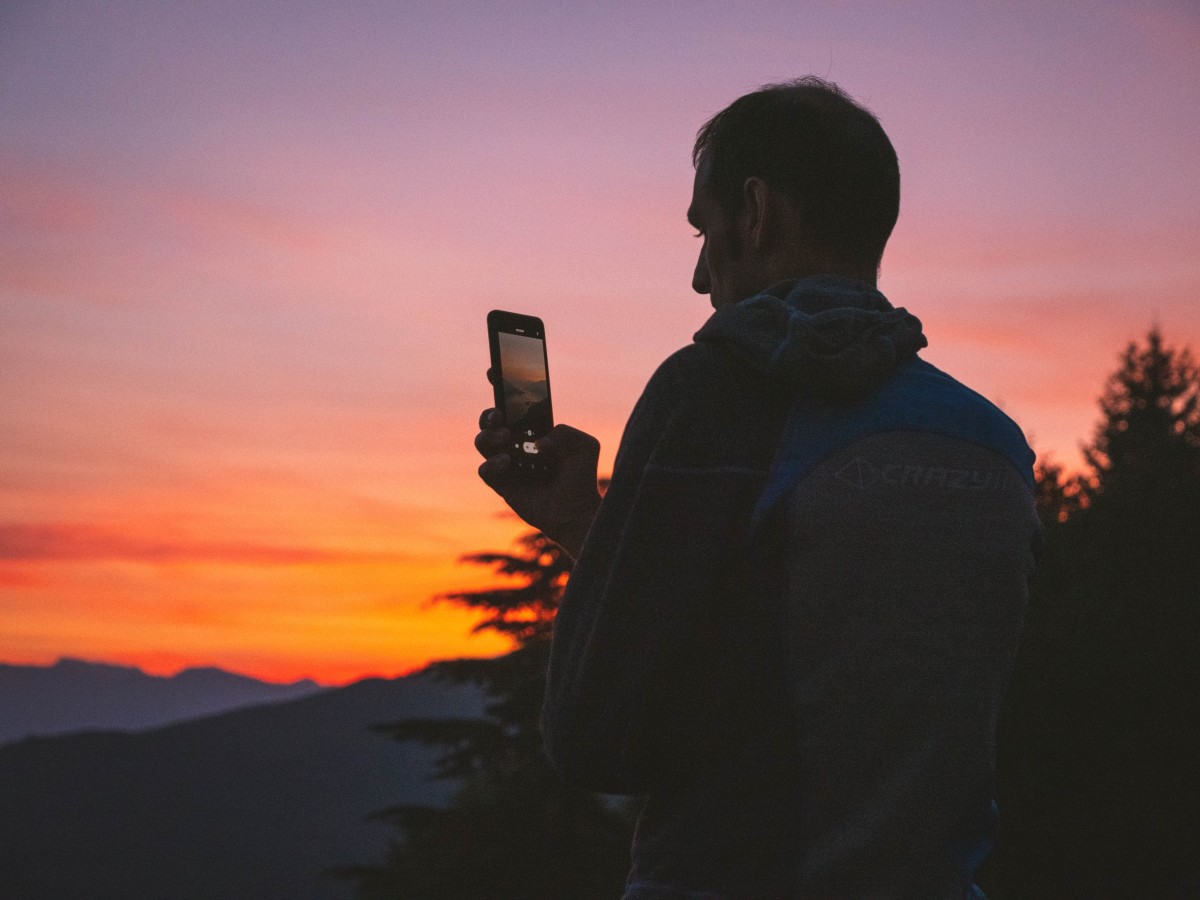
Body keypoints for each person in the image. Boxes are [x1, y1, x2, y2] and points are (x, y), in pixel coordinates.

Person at [475, 77, 1041, 900]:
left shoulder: (712, 394)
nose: (701, 276)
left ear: (755, 211)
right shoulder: (992, 445)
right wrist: (584, 523)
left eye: (704, 230)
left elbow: (597, 740)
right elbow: (818, 657)